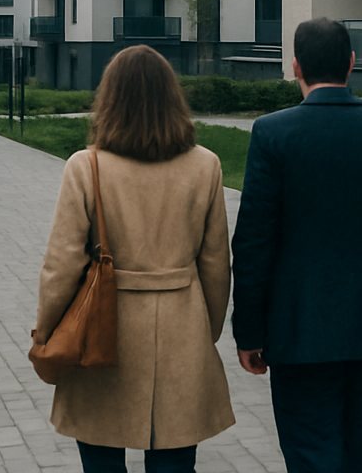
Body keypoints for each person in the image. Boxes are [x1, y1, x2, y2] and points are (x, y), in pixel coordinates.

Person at [232, 17, 362, 473]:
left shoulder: (273, 133)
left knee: (310, 450)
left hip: (299, 327)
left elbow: (254, 243)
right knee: (360, 442)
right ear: (352, 64)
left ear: (295, 66)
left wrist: (249, 331)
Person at [34, 45, 233, 473]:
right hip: (182, 327)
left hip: (103, 334)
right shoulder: (206, 166)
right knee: (175, 463)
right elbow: (217, 264)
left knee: (101, 461)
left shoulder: (85, 167)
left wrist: (47, 332)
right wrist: (207, 331)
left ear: (110, 99)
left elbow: (61, 266)